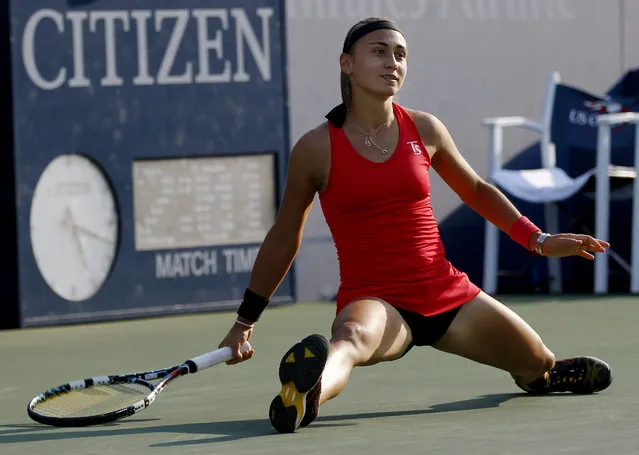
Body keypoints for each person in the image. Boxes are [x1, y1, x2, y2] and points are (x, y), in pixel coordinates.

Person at [217, 17, 613, 434]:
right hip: (376, 300)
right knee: (348, 341)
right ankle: (305, 396)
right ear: (346, 64)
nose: (393, 62)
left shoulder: (424, 128)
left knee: (538, 361)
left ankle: (542, 378)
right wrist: (245, 322)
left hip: (445, 292)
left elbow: (476, 190)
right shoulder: (315, 148)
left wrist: (538, 239)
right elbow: (284, 236)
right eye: (379, 51)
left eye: (400, 54)